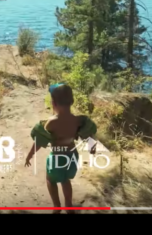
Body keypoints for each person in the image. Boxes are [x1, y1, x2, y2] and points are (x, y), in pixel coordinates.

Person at [25, 84, 97, 213]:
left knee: (50, 179)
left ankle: (57, 206)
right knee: (65, 179)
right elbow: (89, 137)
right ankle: (68, 205)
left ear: (53, 102)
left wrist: (30, 155)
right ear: (72, 101)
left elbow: (40, 141)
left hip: (58, 157)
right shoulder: (78, 121)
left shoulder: (52, 122)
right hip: (72, 156)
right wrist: (92, 149)